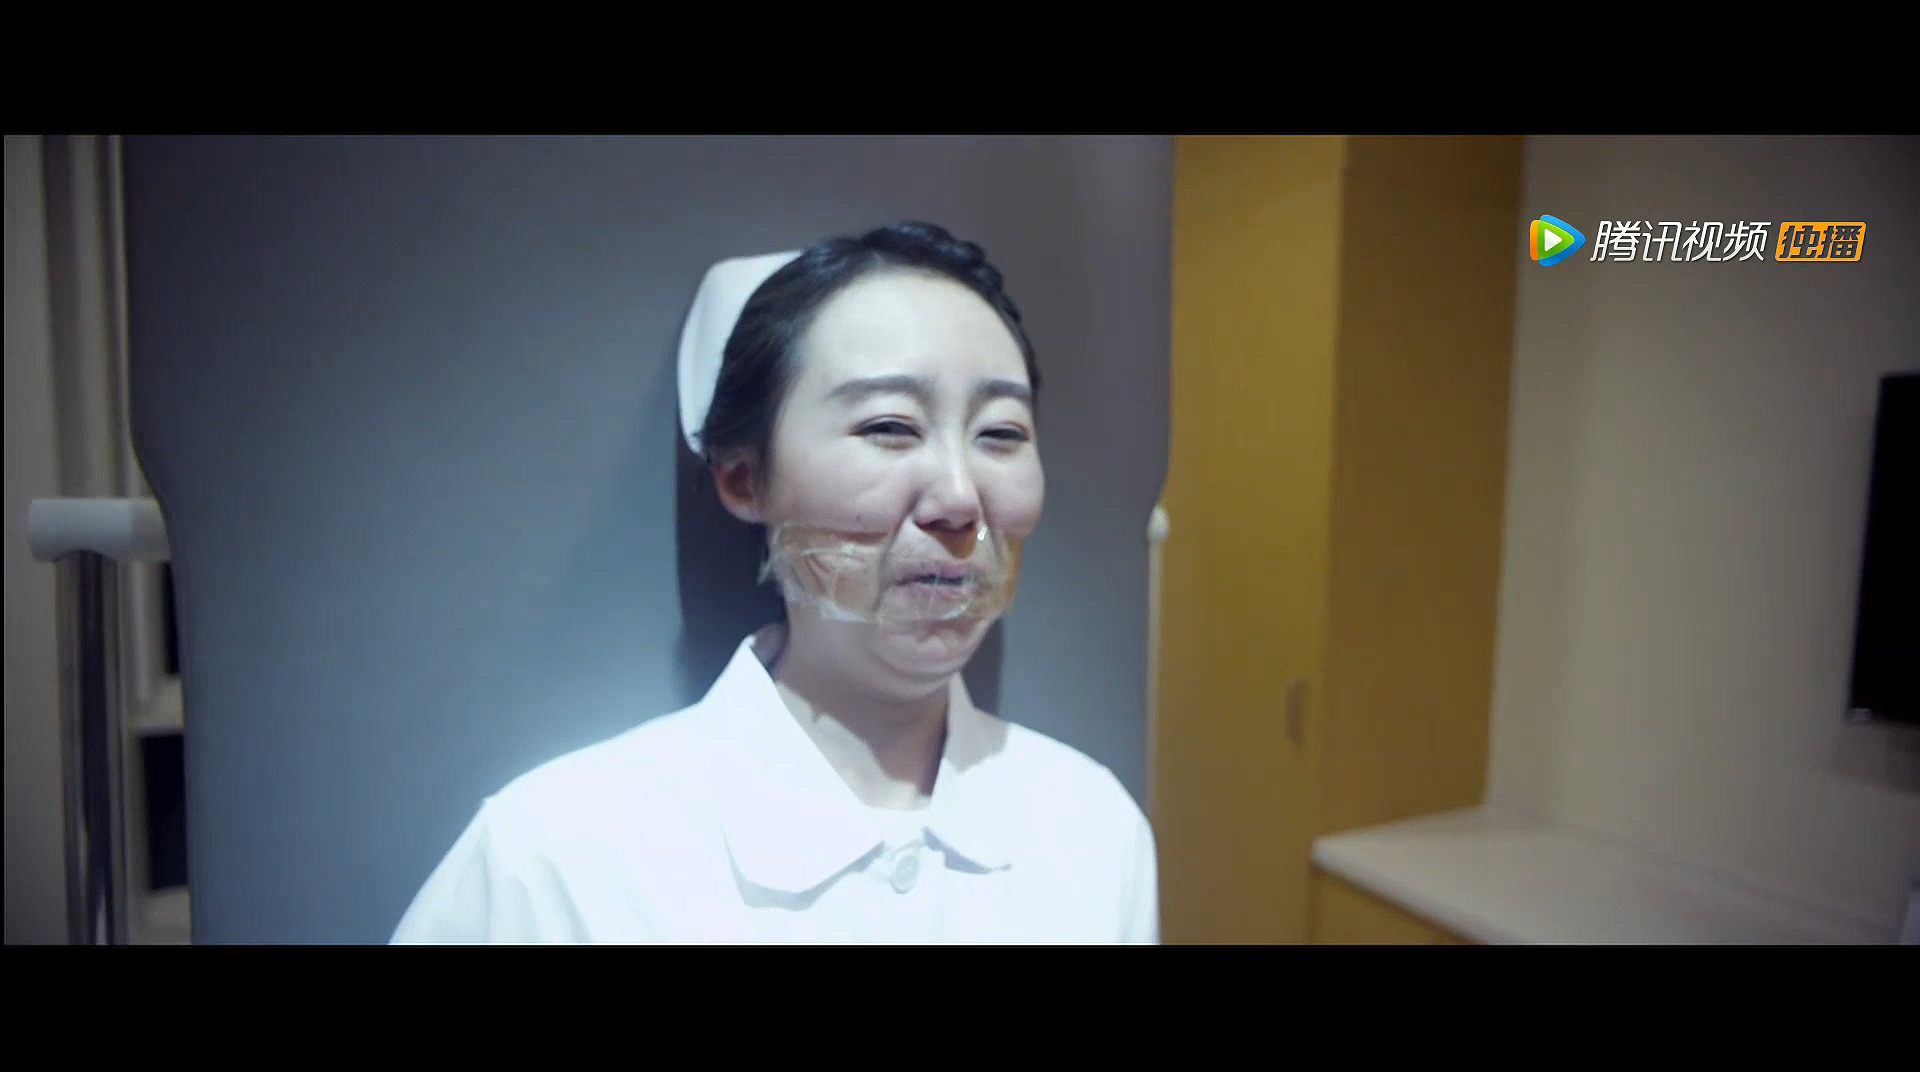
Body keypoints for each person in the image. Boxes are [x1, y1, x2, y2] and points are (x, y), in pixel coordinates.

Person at [390, 220, 1158, 944]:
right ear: (743, 477)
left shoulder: (1092, 828)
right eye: (889, 426)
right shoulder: (557, 859)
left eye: (1001, 434)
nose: (960, 497)